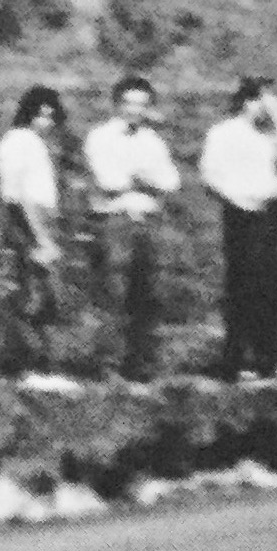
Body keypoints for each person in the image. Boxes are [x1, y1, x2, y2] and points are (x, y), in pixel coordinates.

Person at [81, 71, 177, 382]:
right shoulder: (100, 137)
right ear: (117, 104)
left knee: (149, 294)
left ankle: (141, 366)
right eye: (129, 103)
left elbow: (170, 181)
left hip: (148, 221)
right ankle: (108, 366)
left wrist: (138, 177)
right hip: (115, 221)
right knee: (114, 292)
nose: (135, 109)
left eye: (142, 104)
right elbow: (109, 180)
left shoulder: (153, 140)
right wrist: (145, 178)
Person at [199, 76, 277, 381]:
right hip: (240, 214)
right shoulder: (223, 133)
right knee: (243, 285)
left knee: (271, 287)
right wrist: (237, 199)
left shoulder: (272, 135)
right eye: (263, 100)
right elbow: (210, 174)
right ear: (248, 101)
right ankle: (236, 360)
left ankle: (267, 359)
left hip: (270, 215)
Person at [0, 82, 67, 386]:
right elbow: (19, 195)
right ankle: (24, 367)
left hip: (40, 219)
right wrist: (40, 237)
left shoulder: (36, 142)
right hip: (26, 222)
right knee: (30, 294)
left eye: (50, 116)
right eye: (39, 115)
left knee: (44, 294)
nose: (45, 122)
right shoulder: (18, 141)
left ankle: (40, 365)